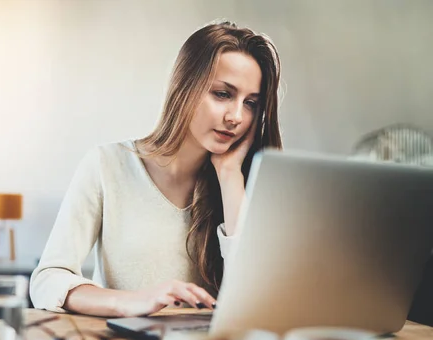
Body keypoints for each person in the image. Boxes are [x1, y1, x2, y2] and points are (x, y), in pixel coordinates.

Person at [30, 20, 283, 317]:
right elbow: (48, 280)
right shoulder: (107, 164)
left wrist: (229, 176)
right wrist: (131, 301)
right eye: (222, 94)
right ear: (184, 87)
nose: (237, 117)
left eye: (251, 103)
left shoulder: (246, 183)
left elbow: (256, 299)